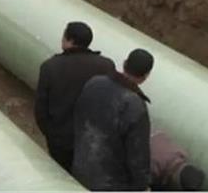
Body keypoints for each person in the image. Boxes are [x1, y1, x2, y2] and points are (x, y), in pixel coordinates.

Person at [34, 22, 115, 172]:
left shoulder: (50, 67)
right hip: (93, 141)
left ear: (70, 40)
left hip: (61, 142)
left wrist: (52, 135)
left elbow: (41, 109)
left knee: (60, 175)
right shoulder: (106, 66)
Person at [72, 48, 155, 191]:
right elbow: (138, 155)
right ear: (145, 76)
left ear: (124, 63)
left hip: (81, 167)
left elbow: (78, 119)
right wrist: (142, 185)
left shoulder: (94, 83)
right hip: (112, 182)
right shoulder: (135, 105)